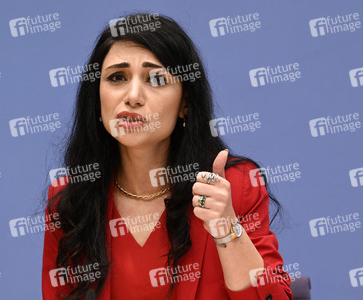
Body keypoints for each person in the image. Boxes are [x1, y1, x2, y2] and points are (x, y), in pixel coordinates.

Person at [42, 13, 293, 300]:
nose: (133, 96)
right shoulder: (71, 198)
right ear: (97, 98)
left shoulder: (233, 186)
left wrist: (227, 230)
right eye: (117, 77)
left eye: (156, 79)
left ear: (185, 103)